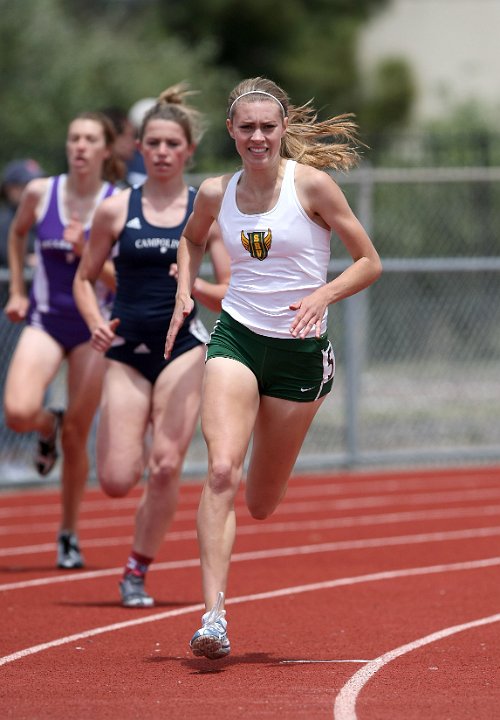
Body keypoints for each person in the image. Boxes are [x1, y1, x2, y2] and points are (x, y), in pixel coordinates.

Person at [165, 76, 383, 659]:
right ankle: (213, 617)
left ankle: (275, 449)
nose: (257, 137)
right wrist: (186, 292)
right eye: (246, 128)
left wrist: (324, 295)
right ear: (232, 132)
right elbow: (189, 241)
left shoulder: (311, 185)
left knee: (260, 500)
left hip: (298, 354)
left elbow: (369, 261)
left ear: (283, 129)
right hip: (236, 336)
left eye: (267, 126)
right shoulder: (214, 191)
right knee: (219, 473)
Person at [73, 84, 230, 608]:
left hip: (183, 346)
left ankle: (136, 570)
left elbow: (227, 289)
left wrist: (192, 285)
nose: (162, 152)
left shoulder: (205, 208)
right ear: (139, 148)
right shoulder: (116, 210)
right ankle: (132, 428)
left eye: (172, 143)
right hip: (126, 348)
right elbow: (84, 277)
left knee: (165, 467)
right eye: (154, 143)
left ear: (188, 151)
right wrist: (95, 319)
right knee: (118, 480)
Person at [3, 112, 121, 569]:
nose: (80, 146)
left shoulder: (117, 202)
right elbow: (17, 235)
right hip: (47, 319)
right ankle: (42, 425)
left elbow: (119, 275)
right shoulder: (41, 192)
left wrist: (82, 252)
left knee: (77, 435)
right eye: (74, 138)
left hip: (95, 324)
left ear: (105, 150)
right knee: (16, 413)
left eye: (91, 139)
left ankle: (68, 533)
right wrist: (17, 289)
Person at [0, 158, 45, 267]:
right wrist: (27, 261)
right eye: (28, 185)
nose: (36, 189)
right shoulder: (3, 223)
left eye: (40, 183)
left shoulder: (44, 219)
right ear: (10, 189)